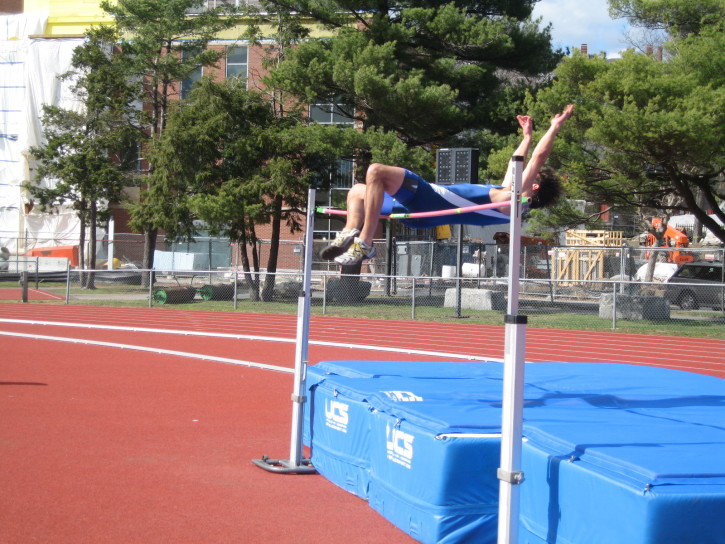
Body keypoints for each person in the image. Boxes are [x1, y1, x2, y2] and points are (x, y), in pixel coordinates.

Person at [320, 104, 574, 266]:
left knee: (376, 170)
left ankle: (365, 243)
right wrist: (527, 137)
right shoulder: (506, 196)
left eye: (532, 176)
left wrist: (554, 127)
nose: (524, 173)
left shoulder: (514, 203)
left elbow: (537, 160)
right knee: (357, 191)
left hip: (427, 199)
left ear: (535, 187)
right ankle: (349, 232)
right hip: (415, 211)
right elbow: (515, 163)